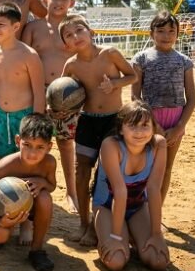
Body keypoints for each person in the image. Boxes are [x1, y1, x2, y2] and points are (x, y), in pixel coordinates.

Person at [59, 14, 137, 246]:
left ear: (91, 31)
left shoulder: (110, 53)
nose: (75, 36)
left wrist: (114, 84)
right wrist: (62, 109)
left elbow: (133, 75)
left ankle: (99, 224)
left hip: (113, 122)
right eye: (69, 35)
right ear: (66, 44)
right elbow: (61, 93)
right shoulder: (71, 65)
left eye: (79, 30)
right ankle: (84, 224)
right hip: (87, 121)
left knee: (105, 176)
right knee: (81, 173)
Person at [21, 0, 78, 212]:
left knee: (66, 144)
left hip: (68, 95)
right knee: (34, 143)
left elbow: (84, 59)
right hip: (37, 91)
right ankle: (28, 188)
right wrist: (36, 96)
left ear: (72, 3)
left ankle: (72, 193)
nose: (59, 2)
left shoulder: (76, 28)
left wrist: (75, 97)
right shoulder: (34, 28)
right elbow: (22, 58)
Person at [93, 101, 169, 271]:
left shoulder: (159, 145)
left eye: (145, 125)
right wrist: (114, 236)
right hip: (107, 207)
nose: (140, 132)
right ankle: (105, 228)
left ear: (153, 127)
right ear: (121, 129)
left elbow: (154, 189)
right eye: (132, 126)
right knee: (116, 262)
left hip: (137, 208)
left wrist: (157, 234)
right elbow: (120, 191)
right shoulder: (111, 145)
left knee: (159, 261)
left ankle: (132, 233)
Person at [131, 11, 195, 204]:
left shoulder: (184, 61)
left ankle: (156, 211)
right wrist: (152, 125)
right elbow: (135, 96)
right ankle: (139, 209)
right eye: (161, 31)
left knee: (166, 167)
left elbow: (191, 99)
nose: (166, 36)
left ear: (178, 34)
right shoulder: (141, 59)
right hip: (147, 121)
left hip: (175, 121)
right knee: (145, 166)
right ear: (151, 34)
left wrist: (179, 127)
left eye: (171, 31)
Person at [0, 113, 57, 271]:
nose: (32, 153)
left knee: (45, 198)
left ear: (49, 147)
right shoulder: (6, 165)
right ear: (17, 141)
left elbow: (52, 186)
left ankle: (37, 250)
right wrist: (0, 220)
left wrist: (42, 182)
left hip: (28, 206)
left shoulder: (49, 163)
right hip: (1, 211)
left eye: (40, 147)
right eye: (27, 145)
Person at [0, 3, 46, 160]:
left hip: (25, 118)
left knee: (26, 163)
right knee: (1, 162)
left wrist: (35, 126)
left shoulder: (29, 55)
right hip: (0, 118)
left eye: (1, 24)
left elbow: (39, 93)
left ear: (16, 26)